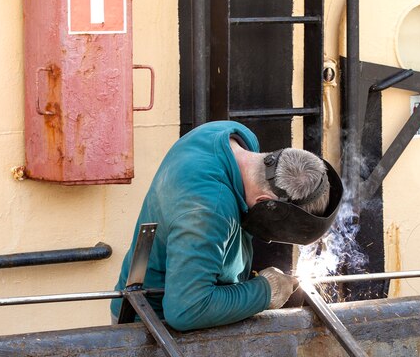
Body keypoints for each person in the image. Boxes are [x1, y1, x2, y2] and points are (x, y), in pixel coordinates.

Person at [110, 120, 342, 331]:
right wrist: (265, 291)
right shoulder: (208, 211)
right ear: (265, 202)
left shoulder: (233, 137)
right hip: (152, 327)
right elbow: (186, 310)